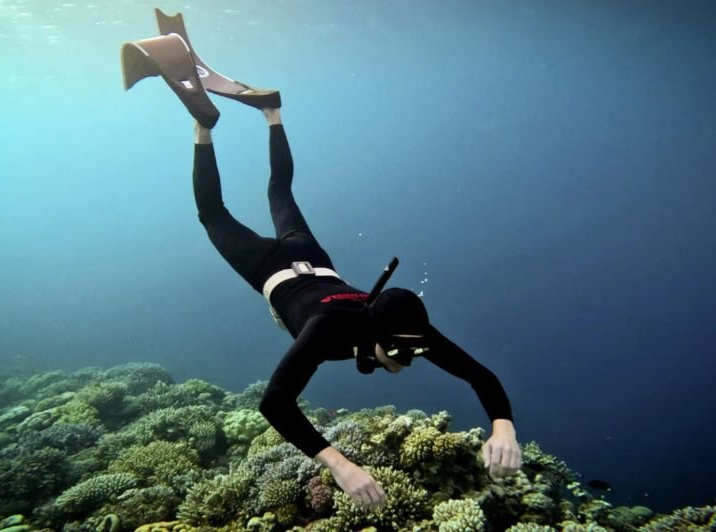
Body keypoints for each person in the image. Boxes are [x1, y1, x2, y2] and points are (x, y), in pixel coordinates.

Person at [122, 9, 522, 512]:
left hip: (311, 256)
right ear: (377, 335)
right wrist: (340, 463)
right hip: (270, 265)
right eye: (400, 353)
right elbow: (274, 403)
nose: (407, 360)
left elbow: (480, 375)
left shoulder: (409, 329)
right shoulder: (332, 331)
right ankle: (205, 123)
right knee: (212, 213)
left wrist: (502, 426)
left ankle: (271, 110)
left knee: (279, 189)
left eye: (412, 353)